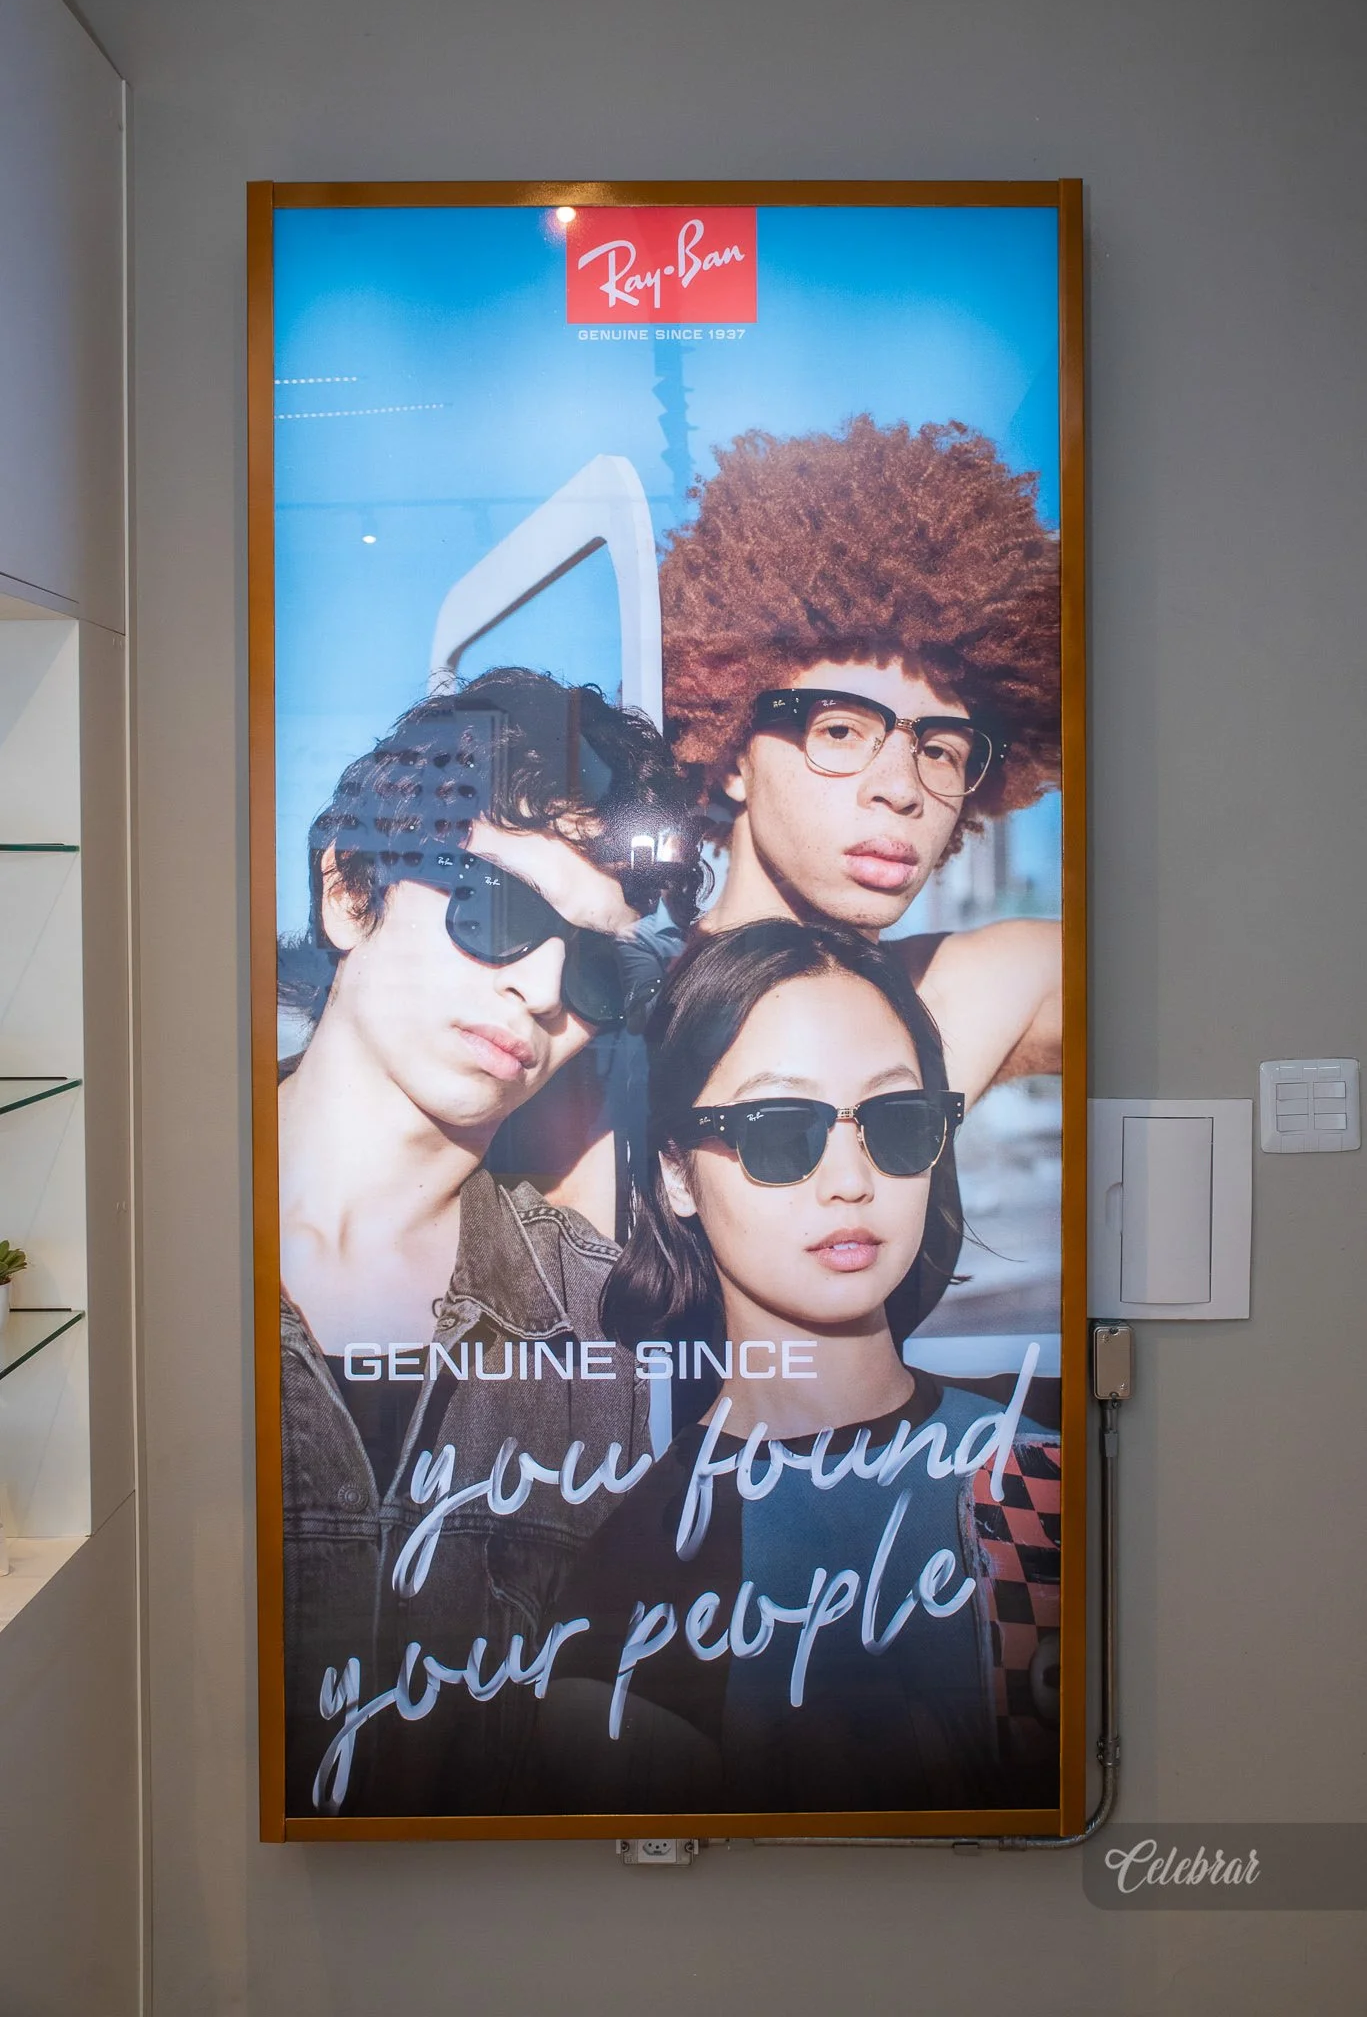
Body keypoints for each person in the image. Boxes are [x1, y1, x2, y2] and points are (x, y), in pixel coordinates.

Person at [275, 666, 701, 1817]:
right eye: (497, 909)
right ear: (350, 890)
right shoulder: (153, 1238)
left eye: (600, 968)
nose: (542, 988)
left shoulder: (602, 1332)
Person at [534, 923, 1061, 1816]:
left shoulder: (1042, 1459)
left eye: (897, 1121)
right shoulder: (643, 1586)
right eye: (779, 1131)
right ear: (674, 1173)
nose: (849, 1181)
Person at [659, 415, 1063, 1112]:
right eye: (841, 730)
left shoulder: (965, 1000)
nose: (902, 790)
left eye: (939, 751)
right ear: (731, 758)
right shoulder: (599, 1015)